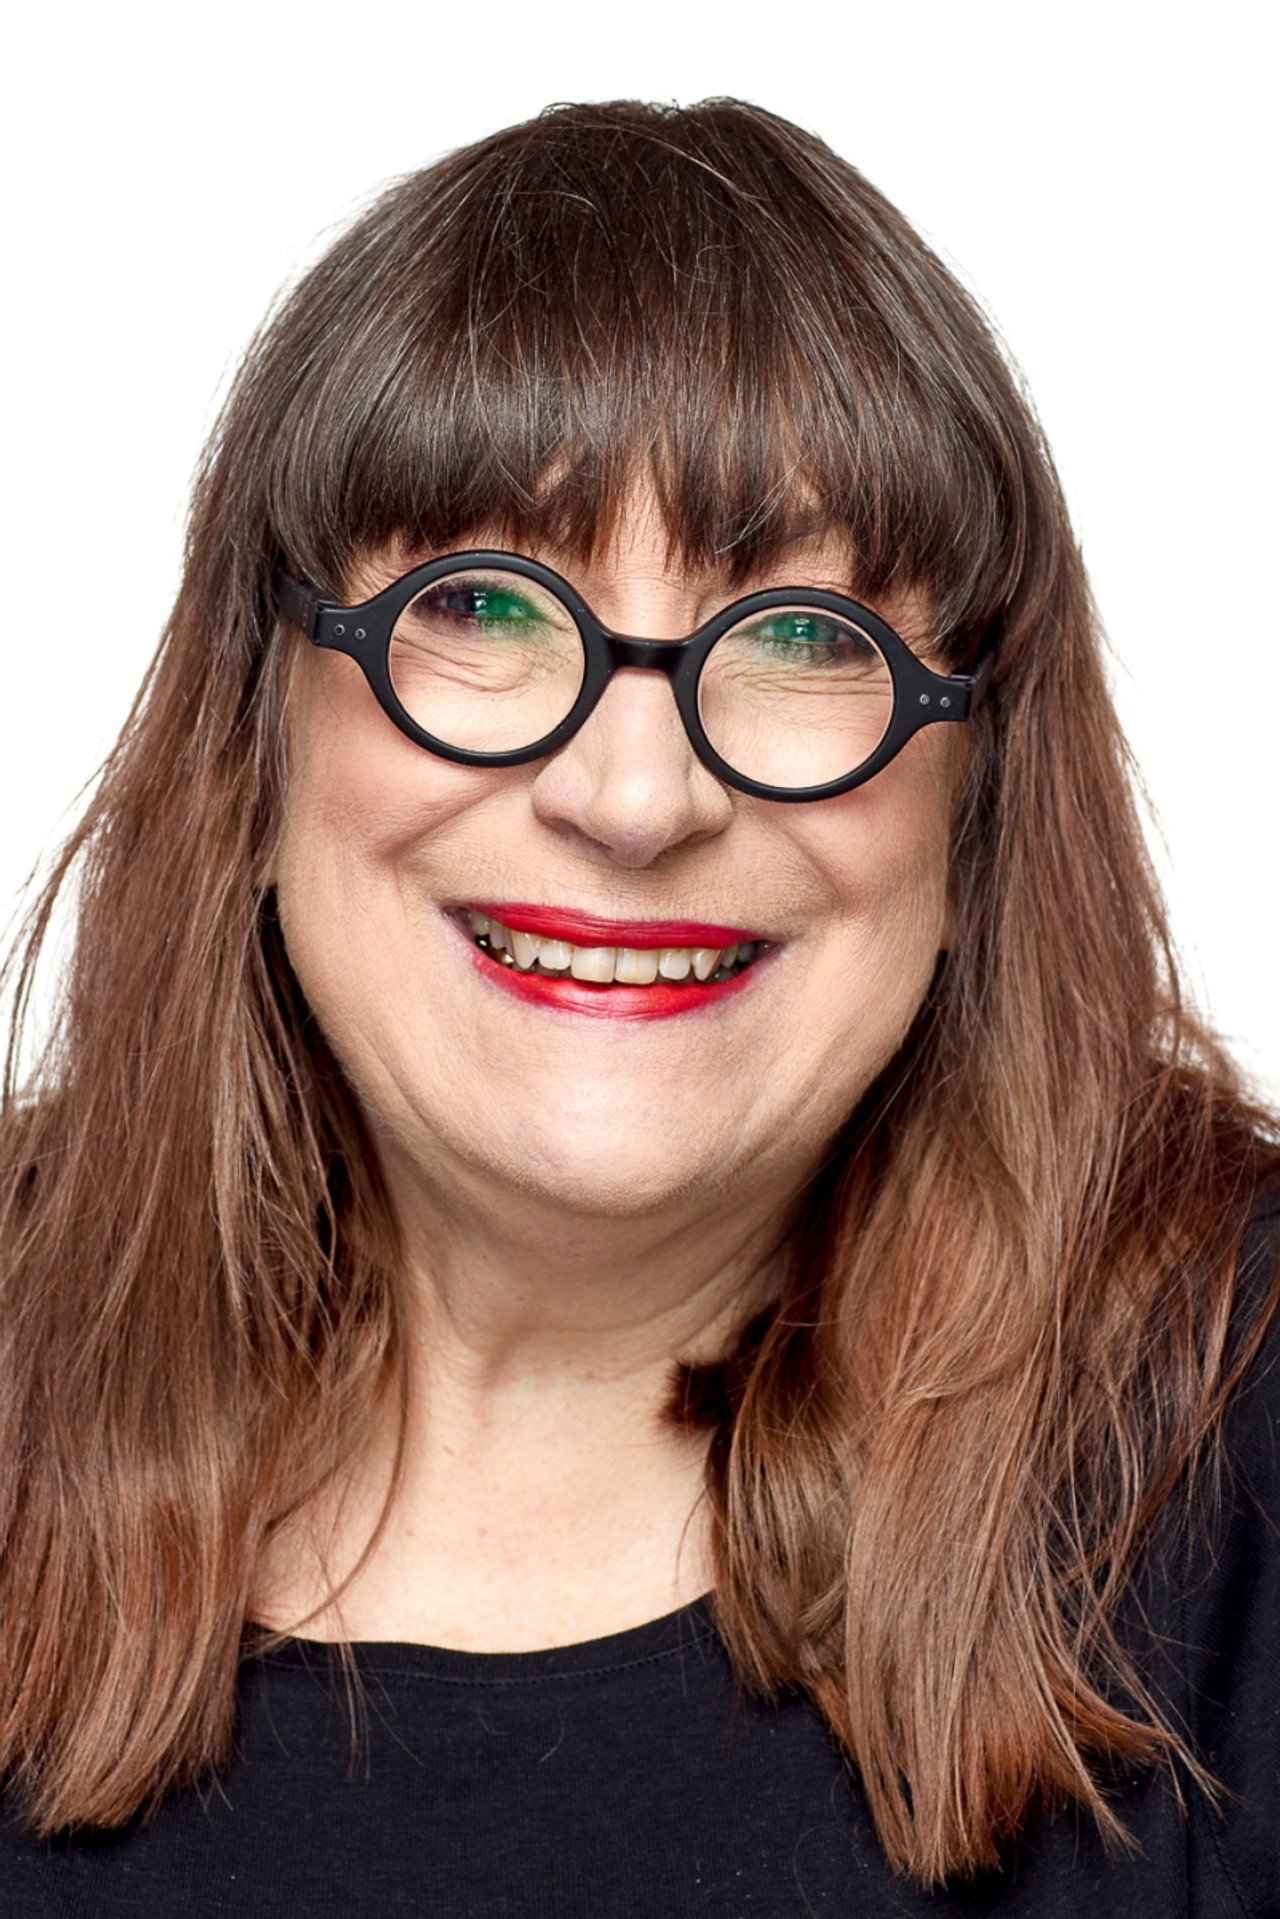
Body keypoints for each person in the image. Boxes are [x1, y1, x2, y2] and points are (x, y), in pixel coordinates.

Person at [0, 97, 1276, 1917]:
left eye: (809, 638)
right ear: (253, 731)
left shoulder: (1241, 1455)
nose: (635, 796)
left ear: (974, 802)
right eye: (484, 605)